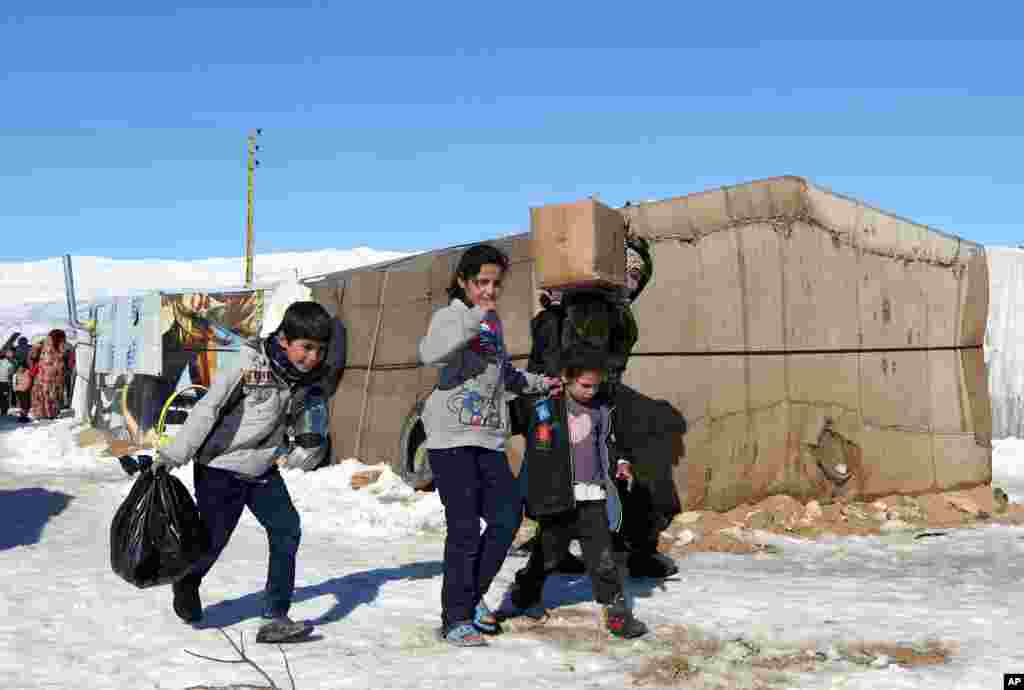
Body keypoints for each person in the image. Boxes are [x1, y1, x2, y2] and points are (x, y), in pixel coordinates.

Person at [146, 301, 334, 643]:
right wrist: (175, 454)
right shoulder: (248, 363)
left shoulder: (304, 378)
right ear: (283, 340)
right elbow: (209, 407)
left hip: (261, 467)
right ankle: (188, 580)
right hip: (221, 467)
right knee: (214, 539)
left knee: (287, 529)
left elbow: (307, 413)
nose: (313, 357)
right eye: (306, 348)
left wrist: (308, 441)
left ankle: (276, 615)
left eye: (320, 350)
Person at [418, 244, 561, 647]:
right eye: (482, 282)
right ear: (464, 282)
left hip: (489, 437)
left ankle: (469, 596)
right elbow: (430, 354)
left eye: (496, 283)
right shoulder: (450, 317)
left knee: (507, 516)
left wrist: (537, 384)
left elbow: (502, 373)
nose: (490, 290)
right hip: (452, 439)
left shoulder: (492, 322)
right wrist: (472, 319)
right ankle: (455, 618)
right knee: (463, 528)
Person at [517, 234, 681, 578]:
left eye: (639, 274)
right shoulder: (581, 309)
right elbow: (552, 356)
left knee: (613, 472)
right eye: (627, 271)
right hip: (566, 404)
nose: (632, 280)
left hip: (599, 403)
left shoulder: (613, 311)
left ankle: (627, 547)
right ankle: (564, 549)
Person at [502, 345, 648, 638]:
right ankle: (524, 594)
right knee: (549, 554)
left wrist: (621, 463)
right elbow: (513, 419)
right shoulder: (546, 406)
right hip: (559, 496)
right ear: (566, 378)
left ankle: (617, 612)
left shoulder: (604, 409)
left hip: (593, 497)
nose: (591, 391)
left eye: (596, 385)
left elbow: (612, 441)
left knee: (602, 558)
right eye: (585, 385)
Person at [0, 349, 13, 417]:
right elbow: (10, 373)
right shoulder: (9, 363)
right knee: (4, 397)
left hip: (4, 382)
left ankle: (4, 410)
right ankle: (4, 411)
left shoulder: (7, 363)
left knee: (3, 397)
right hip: (5, 382)